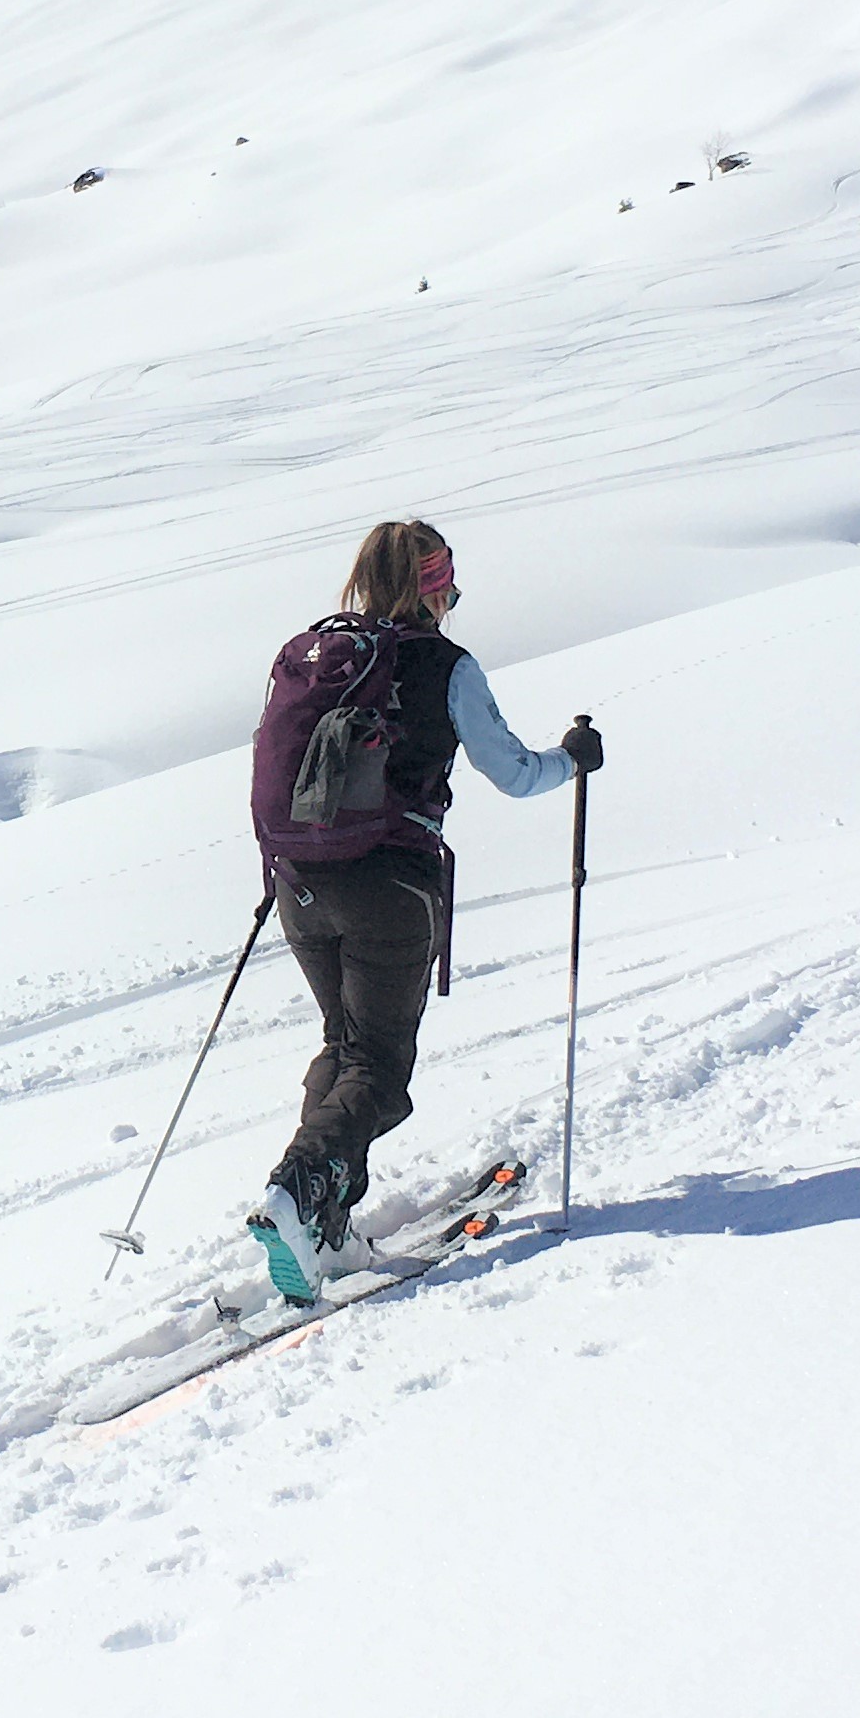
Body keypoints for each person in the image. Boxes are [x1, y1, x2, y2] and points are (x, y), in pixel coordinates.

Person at [246, 519, 601, 1300]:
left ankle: (326, 1228)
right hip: (390, 887)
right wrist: (569, 762)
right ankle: (301, 1186)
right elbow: (509, 772)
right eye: (451, 588)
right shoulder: (445, 664)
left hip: (299, 882)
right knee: (380, 1067)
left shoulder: (319, 658)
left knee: (344, 1045)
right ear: (435, 586)